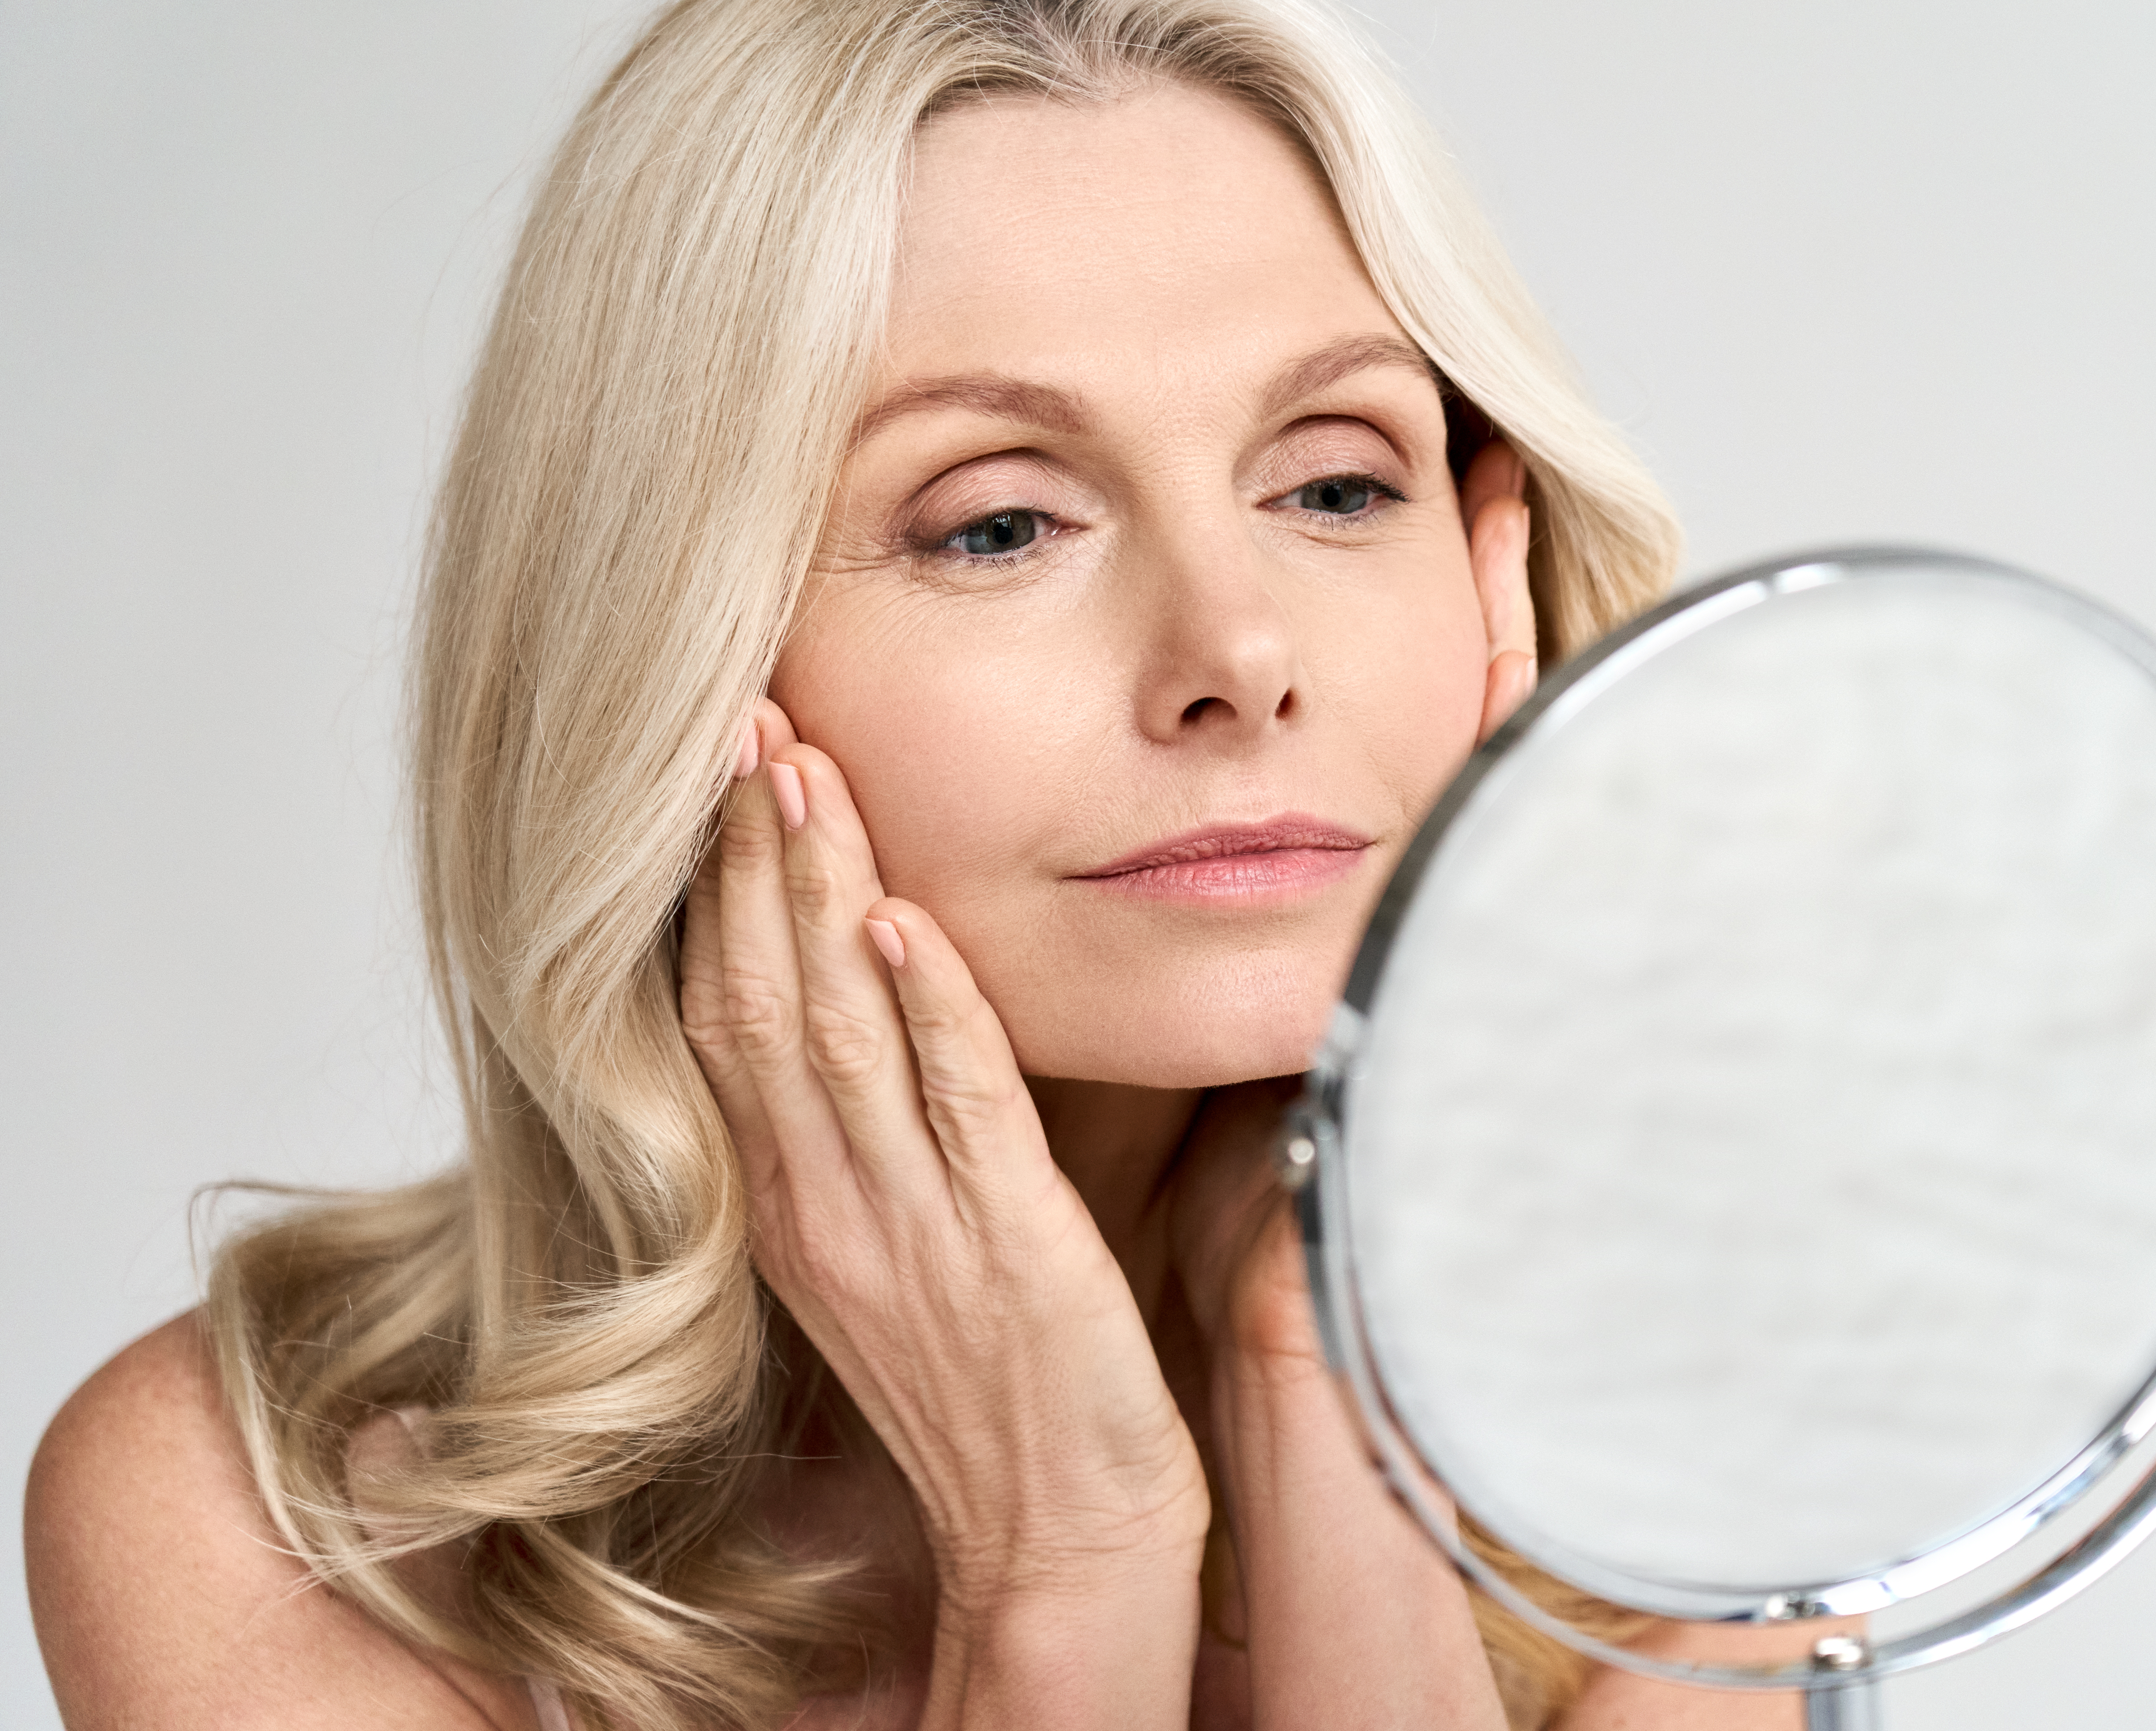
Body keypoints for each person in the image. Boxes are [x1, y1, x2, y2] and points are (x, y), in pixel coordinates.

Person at [26, 2, 1831, 1724]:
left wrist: (1313, 1368)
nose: (1238, 648)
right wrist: (1064, 1551)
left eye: (1337, 485)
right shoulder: (281, 1514)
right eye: (999, 520)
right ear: (676, 659)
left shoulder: (1684, 1463)